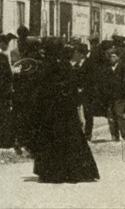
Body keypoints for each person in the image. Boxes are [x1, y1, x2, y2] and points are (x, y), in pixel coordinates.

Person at [29, 38, 99, 183]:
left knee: (51, 140)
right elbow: (72, 87)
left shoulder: (44, 66)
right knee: (70, 139)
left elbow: (39, 90)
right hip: (65, 110)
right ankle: (72, 171)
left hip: (49, 111)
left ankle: (52, 173)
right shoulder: (64, 65)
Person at [105, 48, 125, 142]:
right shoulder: (107, 67)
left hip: (120, 95)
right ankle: (114, 135)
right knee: (110, 115)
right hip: (109, 95)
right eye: (110, 57)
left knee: (119, 114)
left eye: (114, 56)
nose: (111, 59)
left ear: (118, 57)